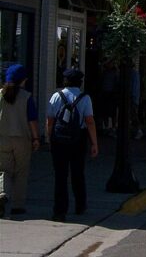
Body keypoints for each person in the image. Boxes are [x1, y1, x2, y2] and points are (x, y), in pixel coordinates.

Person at [47, 69, 97, 222]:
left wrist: (50, 139)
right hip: (78, 138)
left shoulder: (56, 96)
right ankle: (80, 205)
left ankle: (60, 211)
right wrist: (94, 143)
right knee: (77, 173)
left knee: (60, 176)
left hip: (59, 139)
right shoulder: (85, 98)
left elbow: (50, 121)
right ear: (80, 82)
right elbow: (89, 121)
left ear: (65, 81)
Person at [0, 64, 40, 218]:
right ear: (23, 80)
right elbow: (32, 120)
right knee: (21, 172)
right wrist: (36, 138)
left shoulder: (1, 95)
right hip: (22, 139)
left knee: (3, 170)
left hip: (2, 138)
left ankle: (2, 193)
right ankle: (18, 205)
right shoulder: (26, 97)